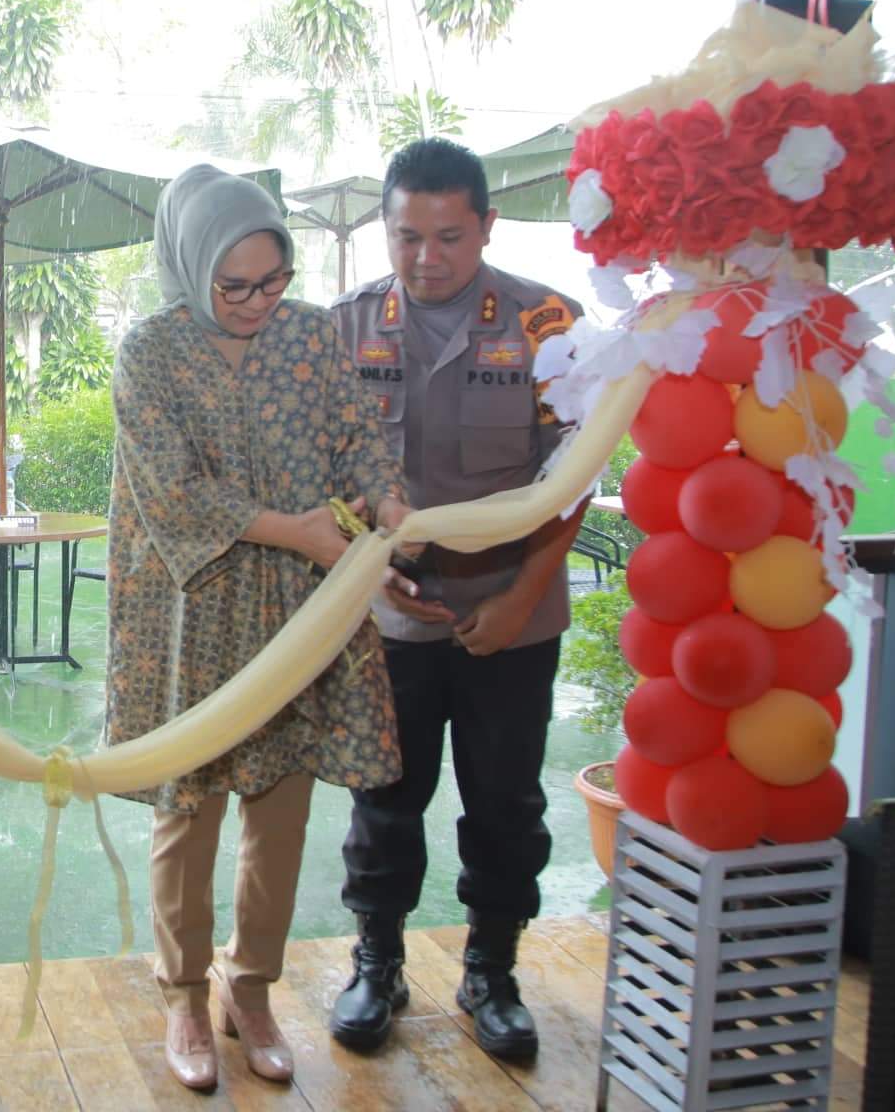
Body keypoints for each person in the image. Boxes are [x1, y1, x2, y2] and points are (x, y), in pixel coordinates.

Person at [105, 164, 408, 1092]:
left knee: (280, 803)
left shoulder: (312, 336)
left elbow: (358, 437)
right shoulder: (150, 351)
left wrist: (388, 498)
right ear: (191, 266)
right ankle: (185, 995)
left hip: (295, 607)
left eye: (272, 281)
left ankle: (252, 988)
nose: (255, 302)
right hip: (190, 607)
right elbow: (170, 490)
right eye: (232, 286)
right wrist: (298, 532)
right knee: (188, 805)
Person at [327, 138, 584, 1061]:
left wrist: (521, 597)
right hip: (390, 615)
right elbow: (321, 469)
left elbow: (576, 476)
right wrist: (365, 562)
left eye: (449, 237)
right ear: (384, 229)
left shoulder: (550, 324)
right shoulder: (344, 328)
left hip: (513, 614)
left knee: (505, 802)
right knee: (384, 798)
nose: (427, 258)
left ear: (486, 227)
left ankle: (492, 972)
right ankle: (377, 964)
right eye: (407, 237)